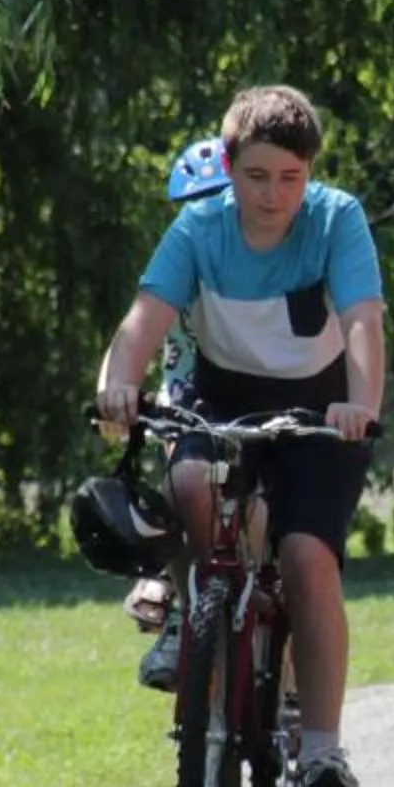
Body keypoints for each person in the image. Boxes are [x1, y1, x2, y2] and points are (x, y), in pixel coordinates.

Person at [94, 87, 386, 787]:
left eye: (290, 178)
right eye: (256, 177)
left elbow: (363, 325)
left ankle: (320, 749)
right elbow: (141, 325)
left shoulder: (336, 219)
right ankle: (196, 641)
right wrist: (116, 389)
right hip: (223, 401)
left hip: (322, 411)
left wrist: (362, 405)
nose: (273, 195)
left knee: (305, 557)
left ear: (309, 172)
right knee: (194, 495)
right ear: (229, 166)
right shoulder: (198, 228)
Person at [123, 135, 236, 650]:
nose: (205, 216)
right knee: (180, 478)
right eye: (194, 206)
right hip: (191, 398)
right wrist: (119, 392)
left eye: (218, 201)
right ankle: (178, 611)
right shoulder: (177, 265)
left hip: (257, 397)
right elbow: (140, 333)